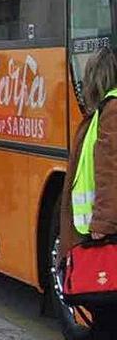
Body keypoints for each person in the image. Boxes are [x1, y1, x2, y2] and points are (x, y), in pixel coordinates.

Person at [60, 47, 117, 339]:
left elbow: (110, 171)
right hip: (102, 234)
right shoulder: (105, 112)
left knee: (106, 320)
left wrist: (102, 226)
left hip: (105, 237)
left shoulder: (112, 111)